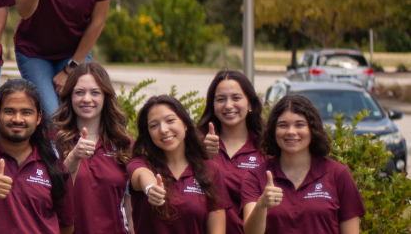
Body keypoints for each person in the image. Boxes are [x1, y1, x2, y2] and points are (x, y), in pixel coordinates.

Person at [0, 79, 74, 233]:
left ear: (38, 117)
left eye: (26, 112)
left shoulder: (55, 167)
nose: (17, 119)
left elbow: (66, 226)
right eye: (10, 111)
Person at [240, 95, 364, 234]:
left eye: (300, 124)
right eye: (283, 125)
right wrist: (261, 205)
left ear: (313, 129)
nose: (291, 132)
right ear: (273, 131)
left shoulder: (338, 174)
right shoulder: (255, 177)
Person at [127, 95, 228, 234]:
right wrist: (150, 188)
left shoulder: (210, 169)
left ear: (185, 123)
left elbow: (217, 229)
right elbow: (141, 176)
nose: (163, 129)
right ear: (148, 133)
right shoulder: (140, 164)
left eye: (170, 120)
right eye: (154, 125)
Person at [52, 62, 133, 234]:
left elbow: (131, 209)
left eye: (95, 92)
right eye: (79, 92)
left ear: (106, 96)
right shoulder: (52, 140)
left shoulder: (124, 144)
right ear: (69, 97)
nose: (87, 99)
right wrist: (73, 158)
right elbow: (51, 195)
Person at [197, 70, 266, 233]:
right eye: (221, 99)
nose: (228, 105)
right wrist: (200, 154)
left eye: (236, 98)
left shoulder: (266, 147)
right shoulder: (195, 144)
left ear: (250, 104)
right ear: (213, 106)